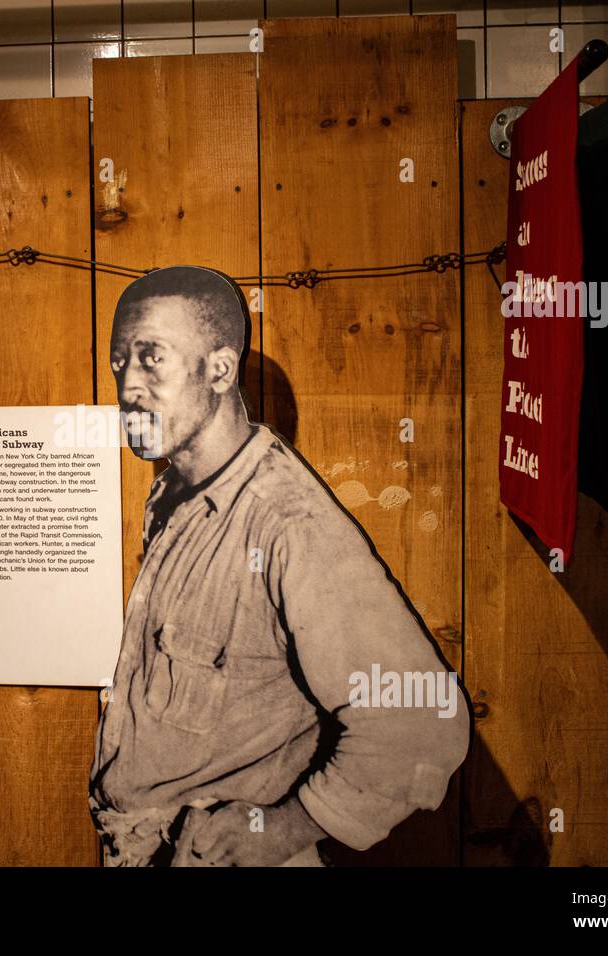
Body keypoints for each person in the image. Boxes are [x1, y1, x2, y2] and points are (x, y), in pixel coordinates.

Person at [87, 265, 471, 866]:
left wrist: (288, 828)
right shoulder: (174, 498)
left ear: (219, 368)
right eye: (119, 362)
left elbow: (423, 719)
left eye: (151, 358)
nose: (128, 385)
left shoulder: (287, 523)